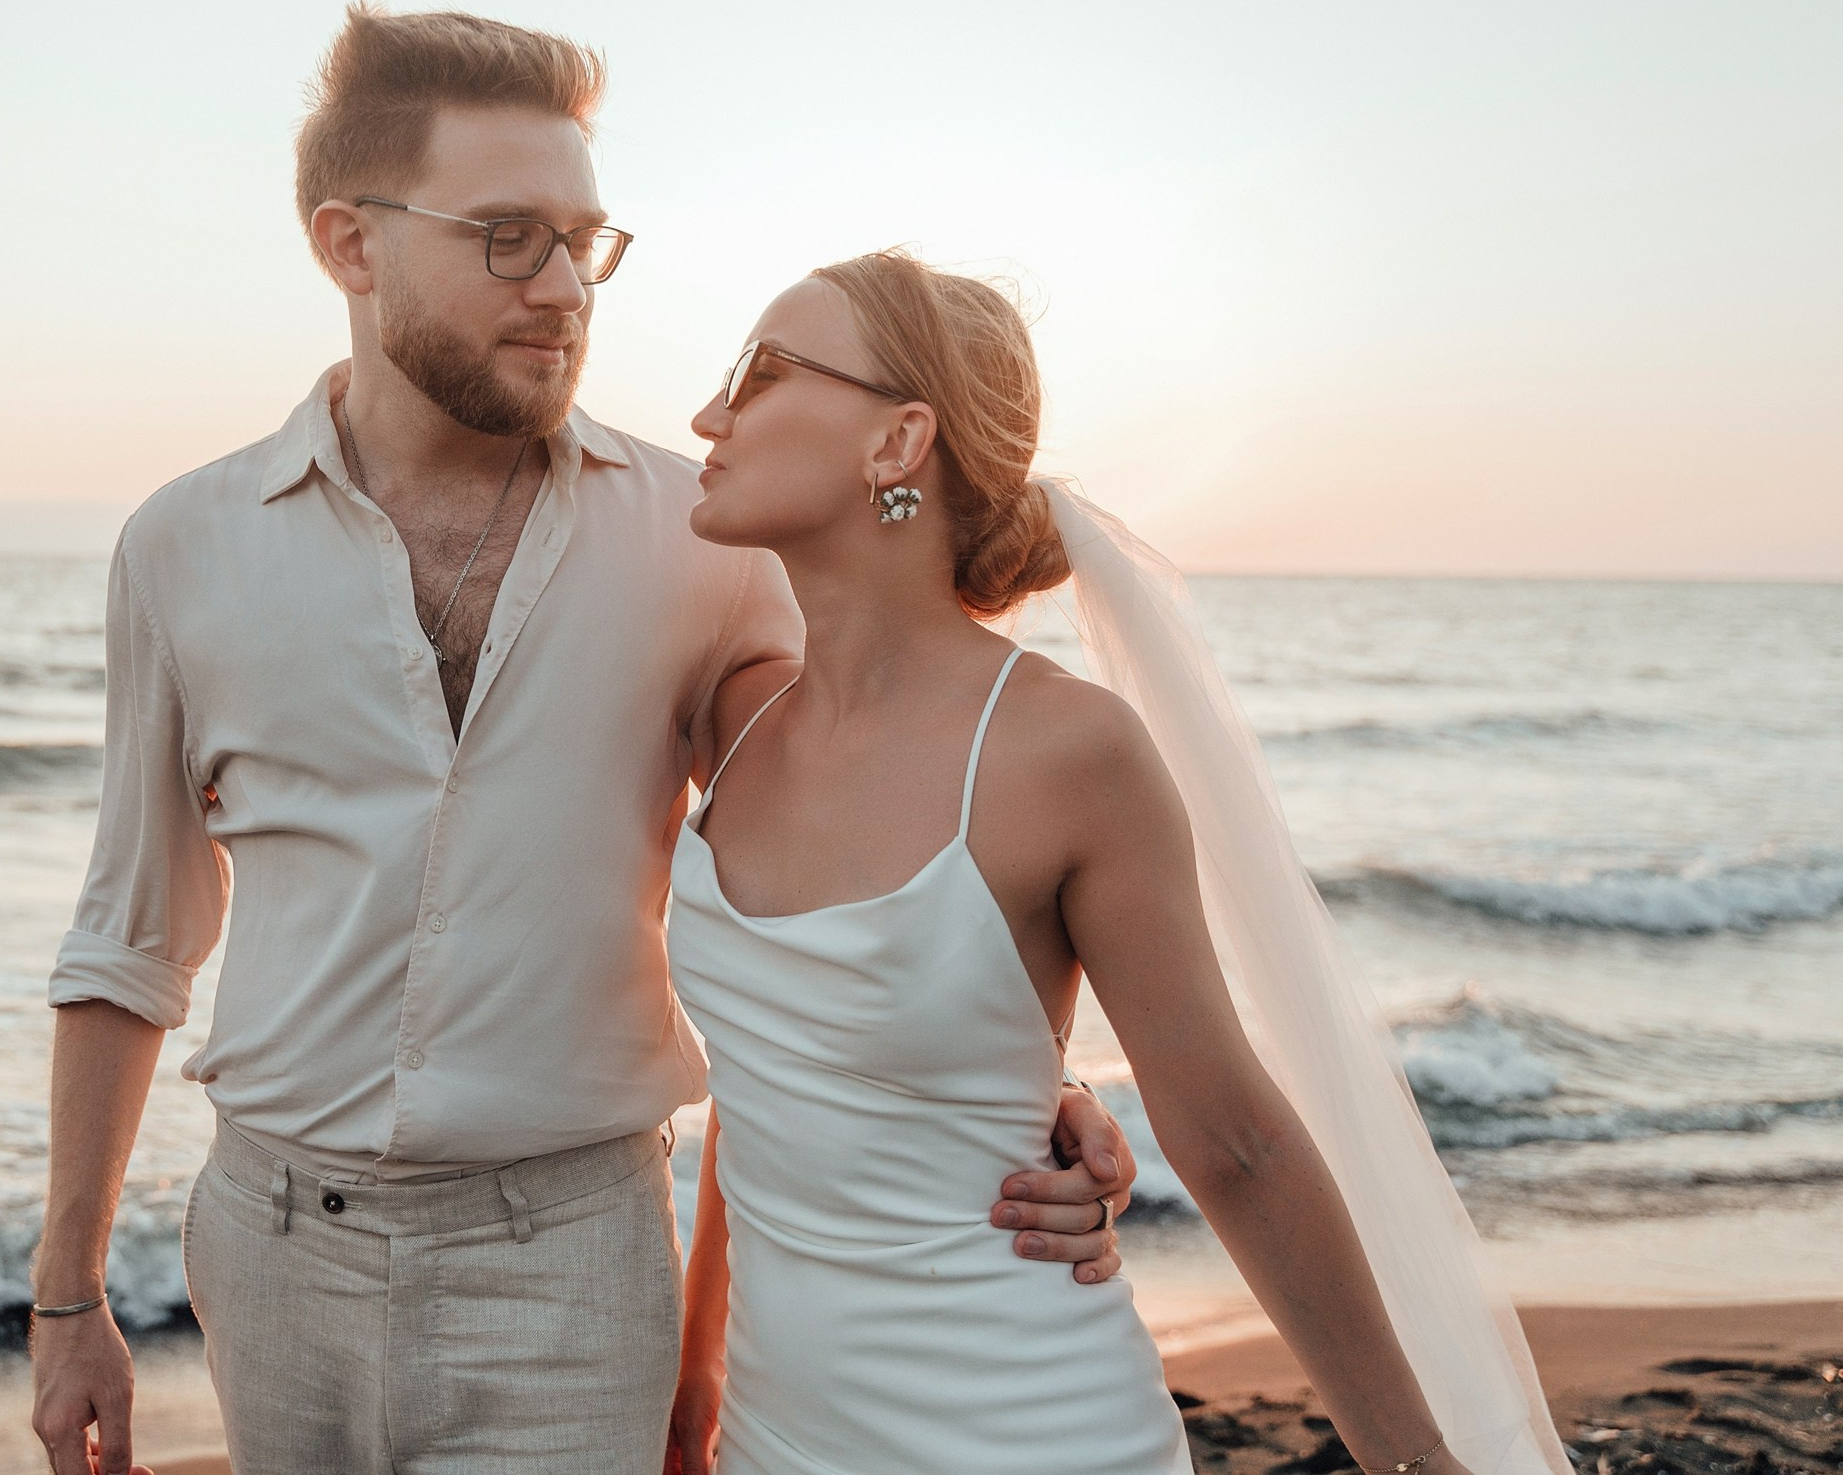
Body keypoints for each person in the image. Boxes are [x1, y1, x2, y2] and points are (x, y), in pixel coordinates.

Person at [27, 9, 1136, 1475]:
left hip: (569, 1264)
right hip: (272, 1251)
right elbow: (131, 934)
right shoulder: (183, 546)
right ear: (348, 245)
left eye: (583, 241)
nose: (564, 289)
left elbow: (866, 850)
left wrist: (1016, 1081)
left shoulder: (707, 538)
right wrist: (67, 1295)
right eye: (507, 237)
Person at [664, 252, 1569, 1474]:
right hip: (774, 1444)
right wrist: (695, 1380)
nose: (708, 414)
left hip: (1033, 1432)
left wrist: (1415, 1464)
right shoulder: (739, 722)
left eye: (763, 373)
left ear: (898, 443)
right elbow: (768, 1090)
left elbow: (1235, 1145)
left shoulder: (1066, 750)